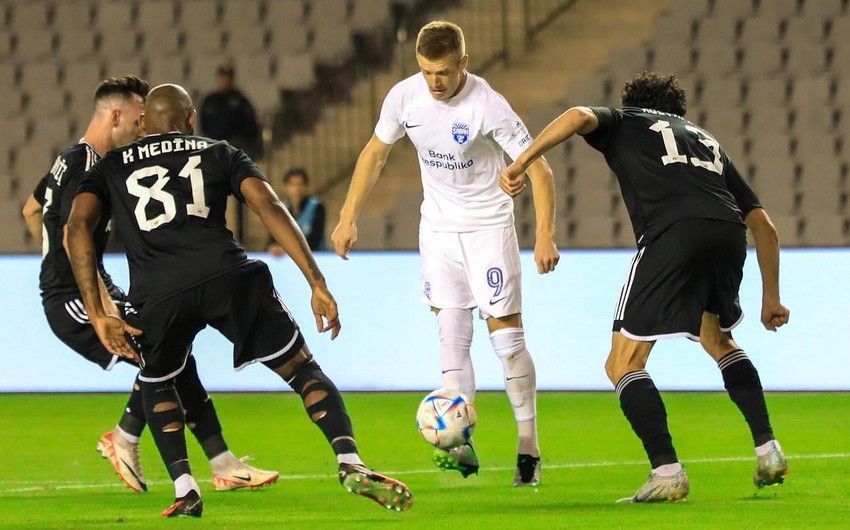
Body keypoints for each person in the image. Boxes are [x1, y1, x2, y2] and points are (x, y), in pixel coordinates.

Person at [66, 84, 413, 517]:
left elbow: (76, 227)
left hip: (159, 293)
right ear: (191, 118)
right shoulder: (219, 151)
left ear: (142, 124)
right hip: (228, 277)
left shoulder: (110, 166)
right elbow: (268, 206)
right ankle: (349, 460)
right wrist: (316, 281)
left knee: (157, 382)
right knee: (301, 368)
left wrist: (97, 312)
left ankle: (185, 488)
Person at [500, 72, 790, 503]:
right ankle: (769, 450)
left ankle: (666, 471)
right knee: (719, 339)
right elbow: (764, 227)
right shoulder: (706, 141)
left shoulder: (627, 120)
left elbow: (577, 115)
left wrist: (520, 162)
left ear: (632, 101)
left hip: (672, 233)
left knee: (622, 362)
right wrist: (771, 298)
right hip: (729, 234)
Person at [21, 76, 278, 494]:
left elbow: (31, 210)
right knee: (159, 354)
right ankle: (127, 437)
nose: (143, 128)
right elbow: (70, 236)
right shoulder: (88, 165)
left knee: (174, 356)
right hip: (75, 299)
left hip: (86, 288)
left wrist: (53, 259)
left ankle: (221, 463)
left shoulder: (68, 160)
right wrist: (88, 293)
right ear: (115, 116)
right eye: (137, 118)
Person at [331, 21, 560, 487]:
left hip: (488, 228)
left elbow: (540, 169)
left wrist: (545, 235)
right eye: (427, 72)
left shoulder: (487, 105)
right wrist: (347, 215)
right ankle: (460, 443)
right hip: (437, 230)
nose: (435, 82)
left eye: (444, 72)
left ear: (463, 64)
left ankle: (528, 448)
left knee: (507, 343)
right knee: (451, 336)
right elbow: (375, 153)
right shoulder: (404, 97)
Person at [199, 62, 262, 159]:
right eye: (223, 78)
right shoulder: (210, 100)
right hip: (214, 146)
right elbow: (203, 124)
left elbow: (250, 125)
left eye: (228, 78)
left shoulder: (240, 100)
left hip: (236, 146)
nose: (225, 81)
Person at [267, 167, 326, 255]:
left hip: (315, 255)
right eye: (292, 185)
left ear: (306, 186)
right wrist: (273, 247)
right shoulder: (281, 209)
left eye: (300, 184)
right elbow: (274, 236)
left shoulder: (317, 207)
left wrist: (288, 249)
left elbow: (315, 237)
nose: (296, 189)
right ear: (285, 187)